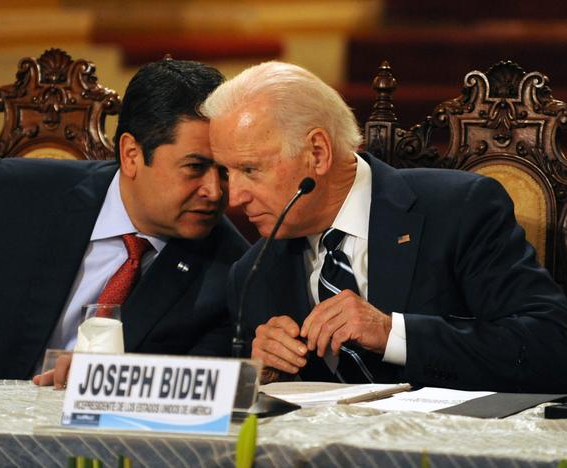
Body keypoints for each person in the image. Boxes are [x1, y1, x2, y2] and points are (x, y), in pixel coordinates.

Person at [0, 59, 249, 381]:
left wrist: (107, 381)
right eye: (195, 167)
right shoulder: (12, 197)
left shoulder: (233, 269)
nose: (215, 192)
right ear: (131, 154)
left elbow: (199, 398)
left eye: (226, 170)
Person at [201, 61, 567, 393]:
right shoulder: (252, 273)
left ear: (317, 153)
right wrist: (260, 373)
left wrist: (393, 333)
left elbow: (551, 347)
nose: (233, 198)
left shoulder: (458, 209)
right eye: (225, 172)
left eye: (250, 170)